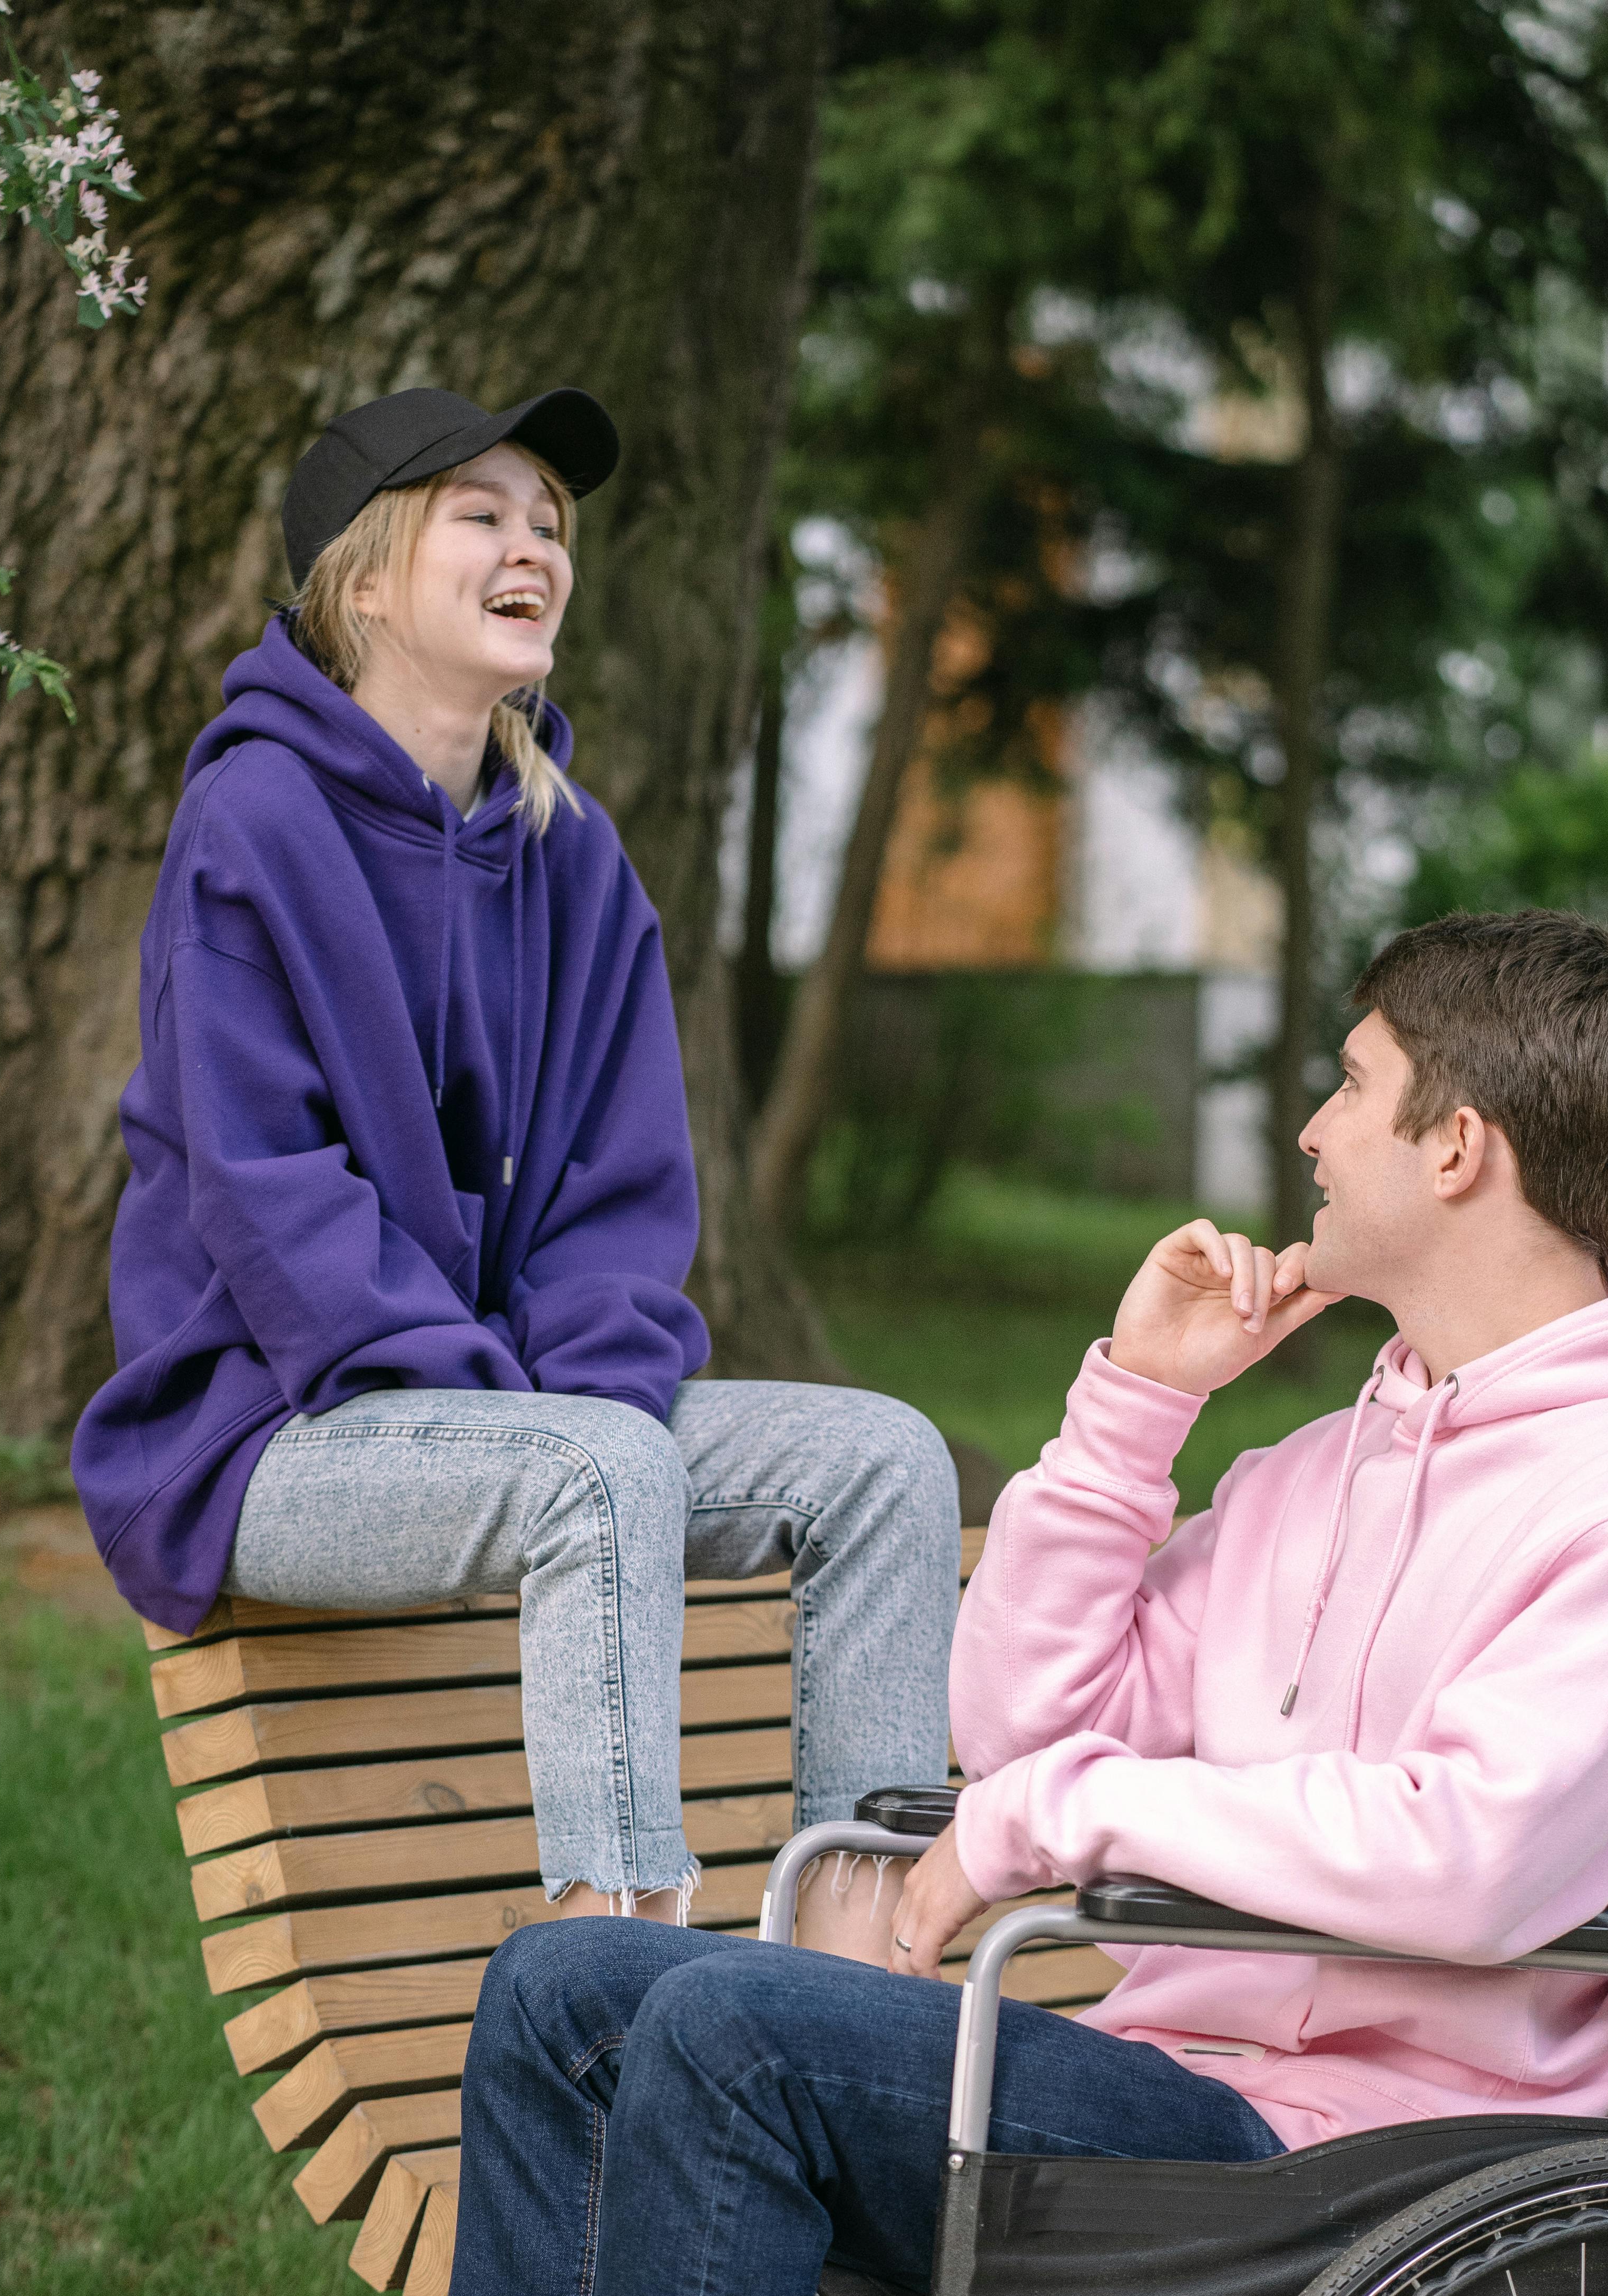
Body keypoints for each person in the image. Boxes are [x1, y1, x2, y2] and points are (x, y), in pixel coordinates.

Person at [108, 906, 1608, 2296]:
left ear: (1461, 1147)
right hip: (1181, 2085)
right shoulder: (1334, 1461)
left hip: (1370, 2166)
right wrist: (1135, 1413)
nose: (1311, 1132)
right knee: (571, 1988)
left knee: (733, 2032)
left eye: (1348, 1084)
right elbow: (1019, 1724)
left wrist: (1035, 1830)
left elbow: (1477, 1855)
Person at [71, 385, 959, 1952]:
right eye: (480, 514)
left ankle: (851, 1993)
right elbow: (267, 1194)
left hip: (509, 1423)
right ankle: (610, 1983)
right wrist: (519, 1411)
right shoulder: (256, 819)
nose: (531, 544)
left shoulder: (575, 851)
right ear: (364, 581)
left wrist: (572, 1385)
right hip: (271, 1430)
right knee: (593, 1470)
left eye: (549, 521)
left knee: (883, 1459)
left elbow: (623, 1200)